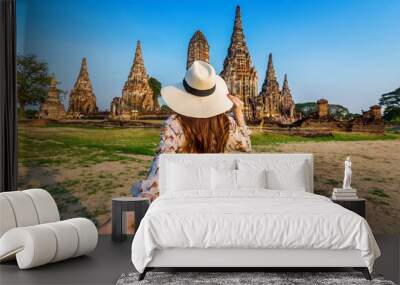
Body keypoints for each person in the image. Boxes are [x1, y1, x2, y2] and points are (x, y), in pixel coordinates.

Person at [131, 61, 252, 201]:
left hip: (183, 195)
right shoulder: (227, 123)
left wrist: (146, 198)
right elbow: (247, 148)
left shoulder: (174, 123)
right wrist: (239, 114)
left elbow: (161, 167)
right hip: (217, 195)